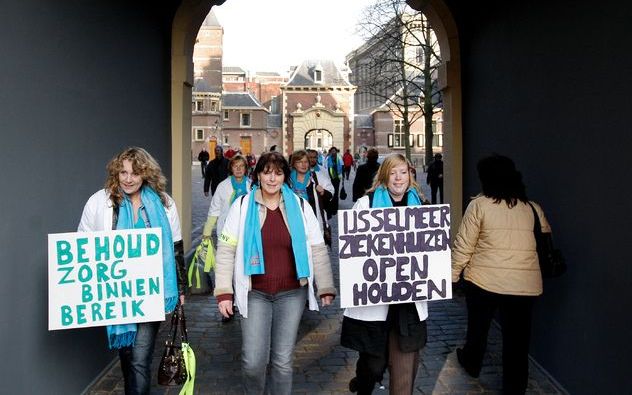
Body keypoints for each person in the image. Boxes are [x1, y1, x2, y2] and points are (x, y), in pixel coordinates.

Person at [214, 151, 336, 394]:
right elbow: (226, 249)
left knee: (282, 361)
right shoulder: (242, 206)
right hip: (254, 292)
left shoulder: (300, 207)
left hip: (291, 293)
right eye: (267, 172)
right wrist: (224, 292)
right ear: (258, 175)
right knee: (253, 362)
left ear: (285, 177)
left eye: (278, 173)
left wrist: (325, 286)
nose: (272, 179)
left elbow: (317, 248)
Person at [77, 147, 187, 395]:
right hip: (117, 293)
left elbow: (175, 246)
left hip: (152, 291)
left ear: (145, 174)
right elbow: (83, 243)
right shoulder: (99, 202)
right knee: (128, 356)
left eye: (135, 173)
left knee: (139, 358)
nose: (128, 179)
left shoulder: (164, 204)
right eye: (123, 172)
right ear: (116, 173)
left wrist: (180, 288)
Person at [451, 154, 551, 395]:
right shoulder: (533, 208)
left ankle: (472, 363)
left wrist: (452, 276)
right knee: (517, 342)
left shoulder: (480, 205)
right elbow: (545, 242)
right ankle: (514, 388)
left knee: (477, 329)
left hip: (484, 281)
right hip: (524, 285)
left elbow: (464, 245)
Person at [341, 153, 428, 395]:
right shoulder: (366, 204)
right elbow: (352, 250)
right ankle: (364, 384)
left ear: (411, 175)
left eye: (404, 172)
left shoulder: (422, 205)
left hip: (408, 302)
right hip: (375, 298)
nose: (399, 178)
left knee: (404, 372)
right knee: (372, 365)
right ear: (384, 176)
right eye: (393, 172)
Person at [201, 155, 251, 322]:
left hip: (247, 234)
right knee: (227, 269)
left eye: (241, 166)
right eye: (235, 166)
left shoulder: (252, 186)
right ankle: (228, 307)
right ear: (231, 168)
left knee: (243, 268)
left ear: (246, 168)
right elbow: (214, 209)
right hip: (227, 233)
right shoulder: (223, 186)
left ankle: (242, 302)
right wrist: (207, 232)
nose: (238, 169)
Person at [289, 150, 333, 239]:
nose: (303, 164)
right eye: (299, 162)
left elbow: (331, 194)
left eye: (305, 162)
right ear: (293, 164)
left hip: (313, 222)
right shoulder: (287, 180)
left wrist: (323, 192)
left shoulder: (317, 177)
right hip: (293, 223)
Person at [325, 146, 343, 218]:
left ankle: (335, 208)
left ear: (336, 151)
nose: (333, 152)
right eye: (332, 151)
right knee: (330, 192)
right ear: (330, 151)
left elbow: (342, 166)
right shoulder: (328, 158)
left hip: (336, 178)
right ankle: (331, 207)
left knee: (336, 193)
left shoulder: (339, 158)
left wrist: (342, 176)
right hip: (329, 178)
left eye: (334, 151)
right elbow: (325, 167)